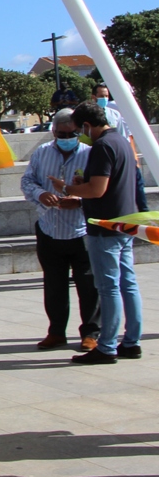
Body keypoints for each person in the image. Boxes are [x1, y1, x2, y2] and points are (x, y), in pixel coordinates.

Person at [49, 102, 143, 364]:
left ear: (88, 126)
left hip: (105, 225)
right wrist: (83, 184)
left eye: (81, 130)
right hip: (125, 221)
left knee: (108, 287)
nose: (81, 136)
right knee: (128, 283)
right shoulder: (121, 140)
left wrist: (67, 188)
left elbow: (97, 190)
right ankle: (132, 341)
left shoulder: (102, 146)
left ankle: (107, 345)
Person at [20, 108, 100, 351]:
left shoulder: (90, 155)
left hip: (80, 230)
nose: (66, 138)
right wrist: (41, 194)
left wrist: (79, 201)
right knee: (54, 285)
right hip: (49, 228)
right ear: (53, 131)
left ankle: (91, 332)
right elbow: (27, 181)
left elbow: (99, 189)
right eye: (61, 134)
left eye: (71, 133)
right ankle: (56, 331)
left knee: (88, 286)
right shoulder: (42, 153)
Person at [92, 84, 148, 212]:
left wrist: (132, 157)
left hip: (121, 156)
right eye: (101, 96)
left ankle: (144, 211)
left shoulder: (115, 114)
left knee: (138, 184)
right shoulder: (92, 114)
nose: (104, 98)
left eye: (106, 96)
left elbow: (126, 137)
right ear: (94, 97)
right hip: (104, 157)